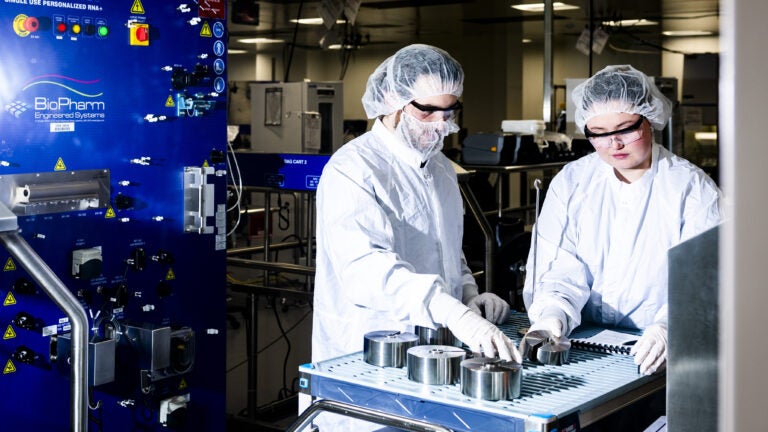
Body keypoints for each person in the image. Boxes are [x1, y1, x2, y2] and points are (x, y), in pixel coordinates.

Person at [309, 44, 521, 430]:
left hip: (432, 359)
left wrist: (469, 297)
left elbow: (447, 251)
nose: (440, 123)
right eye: (427, 110)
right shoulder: (352, 169)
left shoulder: (440, 168)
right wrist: (453, 313)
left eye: (449, 110)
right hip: (366, 357)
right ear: (392, 101)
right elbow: (368, 272)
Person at [522, 64, 722, 378]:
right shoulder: (573, 182)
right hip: (585, 346)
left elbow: (705, 282)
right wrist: (552, 314)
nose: (613, 144)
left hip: (663, 355)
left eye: (625, 129)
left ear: (651, 120)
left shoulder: (692, 189)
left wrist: (672, 326)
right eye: (598, 134)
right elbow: (559, 267)